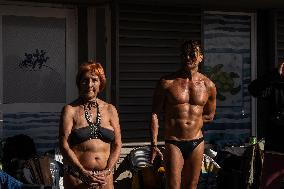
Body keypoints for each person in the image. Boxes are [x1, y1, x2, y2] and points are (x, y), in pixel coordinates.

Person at [149, 40, 217, 189]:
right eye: (184, 54)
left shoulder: (209, 85)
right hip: (174, 142)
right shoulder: (167, 82)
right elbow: (154, 113)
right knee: (173, 186)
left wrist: (193, 122)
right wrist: (154, 143)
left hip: (197, 142)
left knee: (192, 186)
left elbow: (210, 115)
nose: (187, 58)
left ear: (200, 57)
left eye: (192, 54)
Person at [59, 61, 122, 189]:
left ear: (101, 84)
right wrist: (82, 171)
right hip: (78, 178)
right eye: (85, 80)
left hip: (104, 179)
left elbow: (117, 144)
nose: (89, 85)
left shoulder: (110, 109)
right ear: (79, 83)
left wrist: (108, 170)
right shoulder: (70, 110)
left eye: (94, 80)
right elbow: (63, 144)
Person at [248, 62, 284, 189]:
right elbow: (254, 89)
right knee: (269, 185)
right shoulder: (276, 84)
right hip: (277, 147)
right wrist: (274, 74)